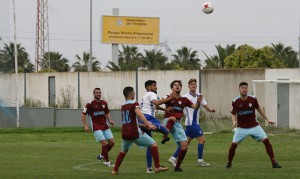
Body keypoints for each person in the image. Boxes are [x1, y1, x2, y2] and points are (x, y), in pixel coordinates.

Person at [112, 86, 169, 175]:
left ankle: (114, 170)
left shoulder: (123, 106)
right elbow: (140, 114)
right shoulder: (134, 104)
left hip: (125, 133)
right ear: (130, 94)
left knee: (123, 151)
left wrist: (143, 125)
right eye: (133, 92)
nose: (134, 94)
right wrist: (148, 124)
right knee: (153, 144)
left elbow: (129, 122)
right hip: (135, 132)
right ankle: (157, 167)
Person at [226, 82, 282, 168]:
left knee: (266, 141)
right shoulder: (235, 101)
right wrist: (234, 122)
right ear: (239, 89)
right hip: (241, 128)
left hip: (254, 126)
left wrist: (267, 119)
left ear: (247, 89)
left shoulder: (253, 99)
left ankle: (274, 162)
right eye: (242, 88)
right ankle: (229, 163)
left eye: (246, 88)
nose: (244, 89)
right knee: (233, 145)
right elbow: (233, 113)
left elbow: (259, 109)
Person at [168, 78, 215, 167]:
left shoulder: (199, 96)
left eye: (194, 84)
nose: (193, 85)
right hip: (191, 123)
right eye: (191, 84)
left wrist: (210, 110)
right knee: (202, 140)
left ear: (196, 86)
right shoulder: (185, 97)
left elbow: (205, 105)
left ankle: (173, 157)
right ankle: (200, 161)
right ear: (188, 86)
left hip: (193, 122)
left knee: (185, 143)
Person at [162, 80, 202, 172]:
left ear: (181, 87)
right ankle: (165, 134)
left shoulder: (184, 100)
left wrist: (199, 102)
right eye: (175, 85)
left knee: (184, 146)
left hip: (177, 124)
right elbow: (156, 104)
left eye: (179, 85)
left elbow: (195, 107)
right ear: (172, 88)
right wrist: (165, 108)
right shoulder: (168, 97)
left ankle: (177, 167)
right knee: (172, 118)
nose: (177, 86)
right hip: (167, 121)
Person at [140, 80, 175, 174]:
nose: (156, 87)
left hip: (143, 119)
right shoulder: (151, 93)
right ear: (149, 87)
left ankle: (149, 169)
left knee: (150, 144)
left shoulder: (145, 96)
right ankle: (164, 137)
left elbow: (156, 106)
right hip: (148, 118)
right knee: (166, 130)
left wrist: (165, 109)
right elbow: (157, 103)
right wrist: (170, 98)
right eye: (154, 86)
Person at [81, 87, 115, 167]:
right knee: (104, 143)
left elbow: (106, 113)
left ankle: (101, 155)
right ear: (94, 94)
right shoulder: (89, 104)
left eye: (100, 92)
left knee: (112, 143)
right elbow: (83, 114)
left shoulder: (104, 103)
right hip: (96, 127)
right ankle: (107, 162)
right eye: (97, 93)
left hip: (105, 125)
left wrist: (110, 120)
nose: (99, 94)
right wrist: (85, 125)